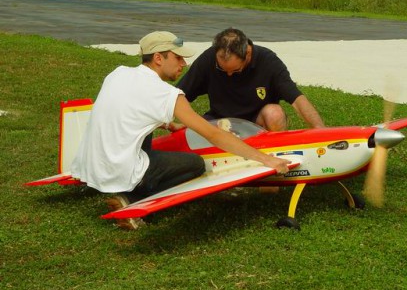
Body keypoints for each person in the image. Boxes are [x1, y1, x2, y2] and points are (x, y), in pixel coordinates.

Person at [71, 31, 291, 230]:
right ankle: (134, 198)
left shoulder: (117, 74)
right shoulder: (165, 93)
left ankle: (127, 186)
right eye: (177, 57)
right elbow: (213, 134)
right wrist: (266, 160)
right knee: (195, 164)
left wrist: (168, 123)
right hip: (118, 171)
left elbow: (126, 113)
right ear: (158, 58)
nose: (184, 63)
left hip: (91, 166)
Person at [176, 27, 325, 132]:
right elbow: (178, 95)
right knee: (190, 133)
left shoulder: (268, 61)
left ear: (247, 53)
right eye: (222, 69)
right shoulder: (209, 58)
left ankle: (276, 154)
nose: (228, 75)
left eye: (234, 70)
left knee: (275, 113)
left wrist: (320, 130)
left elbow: (297, 99)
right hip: (220, 122)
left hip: (256, 123)